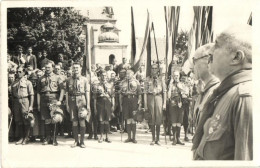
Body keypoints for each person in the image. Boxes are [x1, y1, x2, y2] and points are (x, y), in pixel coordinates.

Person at [194, 25, 252, 160]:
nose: (210, 51)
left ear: (236, 57)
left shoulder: (245, 98)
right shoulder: (226, 93)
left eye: (217, 45)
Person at [191, 43, 220, 152]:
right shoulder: (204, 92)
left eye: (194, 61)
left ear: (207, 61)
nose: (192, 66)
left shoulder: (217, 92)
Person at [61, 62, 90, 148]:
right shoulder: (68, 80)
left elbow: (87, 92)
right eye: (74, 68)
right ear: (72, 69)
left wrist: (88, 104)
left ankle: (82, 142)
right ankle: (76, 141)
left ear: (80, 69)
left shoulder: (85, 79)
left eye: (77, 68)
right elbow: (66, 92)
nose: (75, 70)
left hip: (81, 99)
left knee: (82, 120)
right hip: (72, 100)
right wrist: (67, 103)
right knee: (74, 121)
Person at [37, 61, 64, 146]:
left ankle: (54, 138)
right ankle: (47, 137)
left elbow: (62, 90)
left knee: (54, 119)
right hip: (44, 98)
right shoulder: (41, 78)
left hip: (54, 98)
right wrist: (38, 104)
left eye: (49, 67)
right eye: (46, 67)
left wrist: (60, 100)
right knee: (47, 119)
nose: (47, 69)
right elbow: (38, 92)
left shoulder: (57, 77)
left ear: (52, 68)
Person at [144, 64, 166, 145]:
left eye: (155, 68)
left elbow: (164, 92)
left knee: (158, 119)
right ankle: (153, 139)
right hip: (150, 98)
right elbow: (145, 92)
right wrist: (145, 104)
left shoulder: (161, 79)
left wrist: (164, 104)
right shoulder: (147, 79)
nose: (154, 70)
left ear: (158, 70)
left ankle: (158, 139)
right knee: (152, 118)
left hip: (159, 98)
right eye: (152, 68)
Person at [11, 66, 34, 145]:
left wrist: (30, 106)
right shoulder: (14, 83)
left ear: (24, 72)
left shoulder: (28, 82)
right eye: (17, 71)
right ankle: (21, 137)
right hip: (16, 102)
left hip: (25, 101)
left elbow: (31, 95)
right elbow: (12, 95)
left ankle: (26, 137)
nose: (18, 73)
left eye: (20, 72)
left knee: (26, 119)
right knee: (18, 120)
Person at [119, 69, 142, 143]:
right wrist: (120, 104)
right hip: (126, 101)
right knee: (128, 119)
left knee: (133, 119)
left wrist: (139, 103)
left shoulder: (136, 82)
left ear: (133, 74)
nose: (127, 75)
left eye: (129, 74)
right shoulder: (123, 82)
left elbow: (139, 93)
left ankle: (134, 138)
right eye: (127, 74)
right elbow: (120, 94)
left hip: (133, 100)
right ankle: (129, 137)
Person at [167, 71, 185, 145]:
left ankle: (178, 138)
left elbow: (185, 93)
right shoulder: (171, 85)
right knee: (174, 121)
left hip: (180, 103)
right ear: (173, 76)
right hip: (173, 103)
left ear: (179, 76)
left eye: (177, 75)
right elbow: (168, 96)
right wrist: (170, 86)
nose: (176, 77)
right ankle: (174, 138)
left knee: (179, 121)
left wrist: (181, 88)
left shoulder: (182, 84)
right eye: (175, 75)